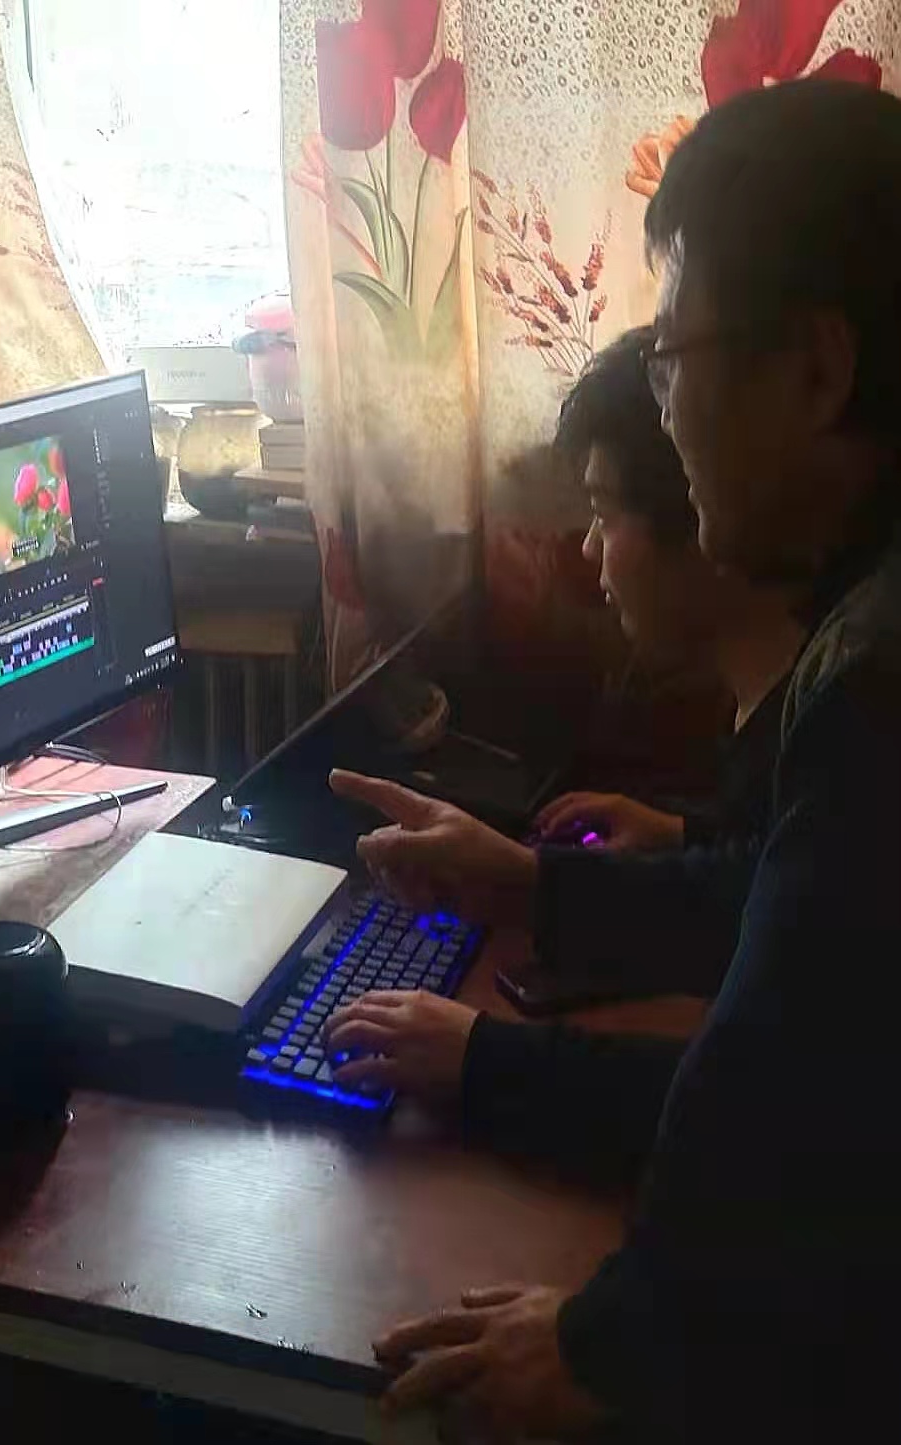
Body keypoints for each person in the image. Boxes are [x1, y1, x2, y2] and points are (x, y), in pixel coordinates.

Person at [357, 80, 901, 1443]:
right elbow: (772, 916)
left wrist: (611, 1350)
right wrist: (530, 886)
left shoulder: (881, 686)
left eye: (671, 354)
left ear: (818, 372)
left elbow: (785, 1118)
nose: (664, 403)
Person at [325, 327, 804, 1122]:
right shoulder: (798, 702)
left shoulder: (852, 732)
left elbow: (768, 1107)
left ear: (704, 511)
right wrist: (667, 841)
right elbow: (756, 893)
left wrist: (485, 1058)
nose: (586, 550)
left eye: (603, 513)